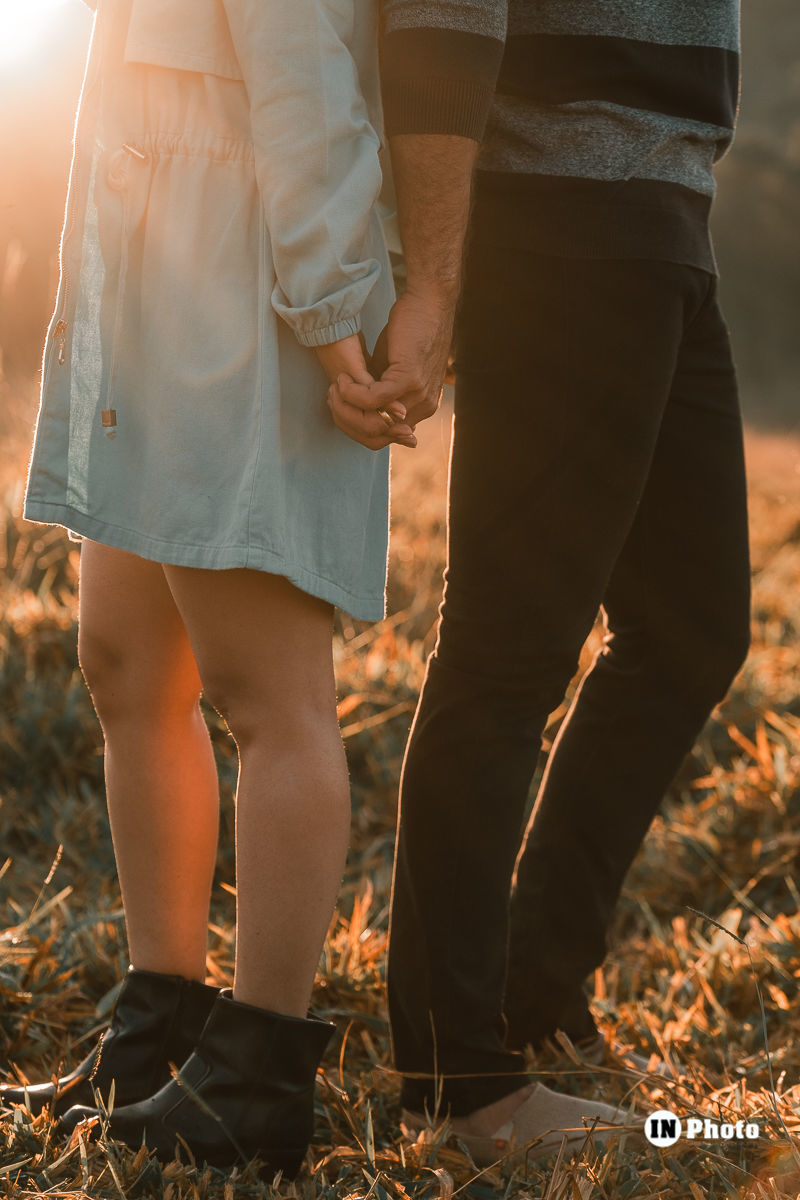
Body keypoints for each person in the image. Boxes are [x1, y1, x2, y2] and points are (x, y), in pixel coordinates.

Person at [329, 0, 750, 1167]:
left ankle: (528, 992)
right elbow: (439, 16)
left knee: (687, 630)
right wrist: (436, 279)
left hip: (667, 208)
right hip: (560, 214)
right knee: (508, 651)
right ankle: (453, 1077)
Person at [4, 0, 416, 1176]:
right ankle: (162, 1017)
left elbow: (310, 87)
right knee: (125, 665)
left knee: (264, 693)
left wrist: (337, 310)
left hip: (251, 280)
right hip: (146, 262)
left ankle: (262, 1069)